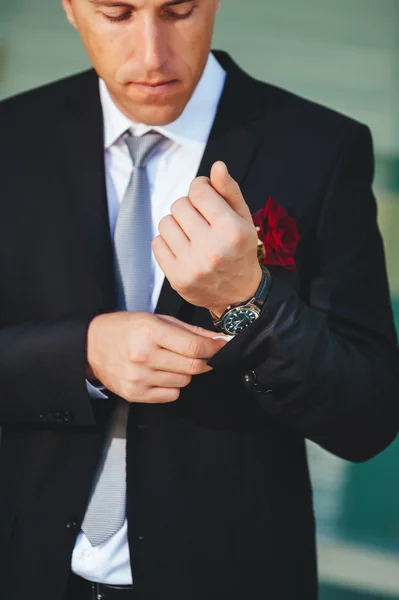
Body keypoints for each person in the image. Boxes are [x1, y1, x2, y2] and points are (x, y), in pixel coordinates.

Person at [0, 0, 398, 598]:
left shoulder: (322, 148)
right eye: (117, 14)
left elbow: (367, 418)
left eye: (178, 11)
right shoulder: (11, 137)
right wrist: (79, 354)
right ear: (71, 9)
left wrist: (247, 300)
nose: (152, 55)